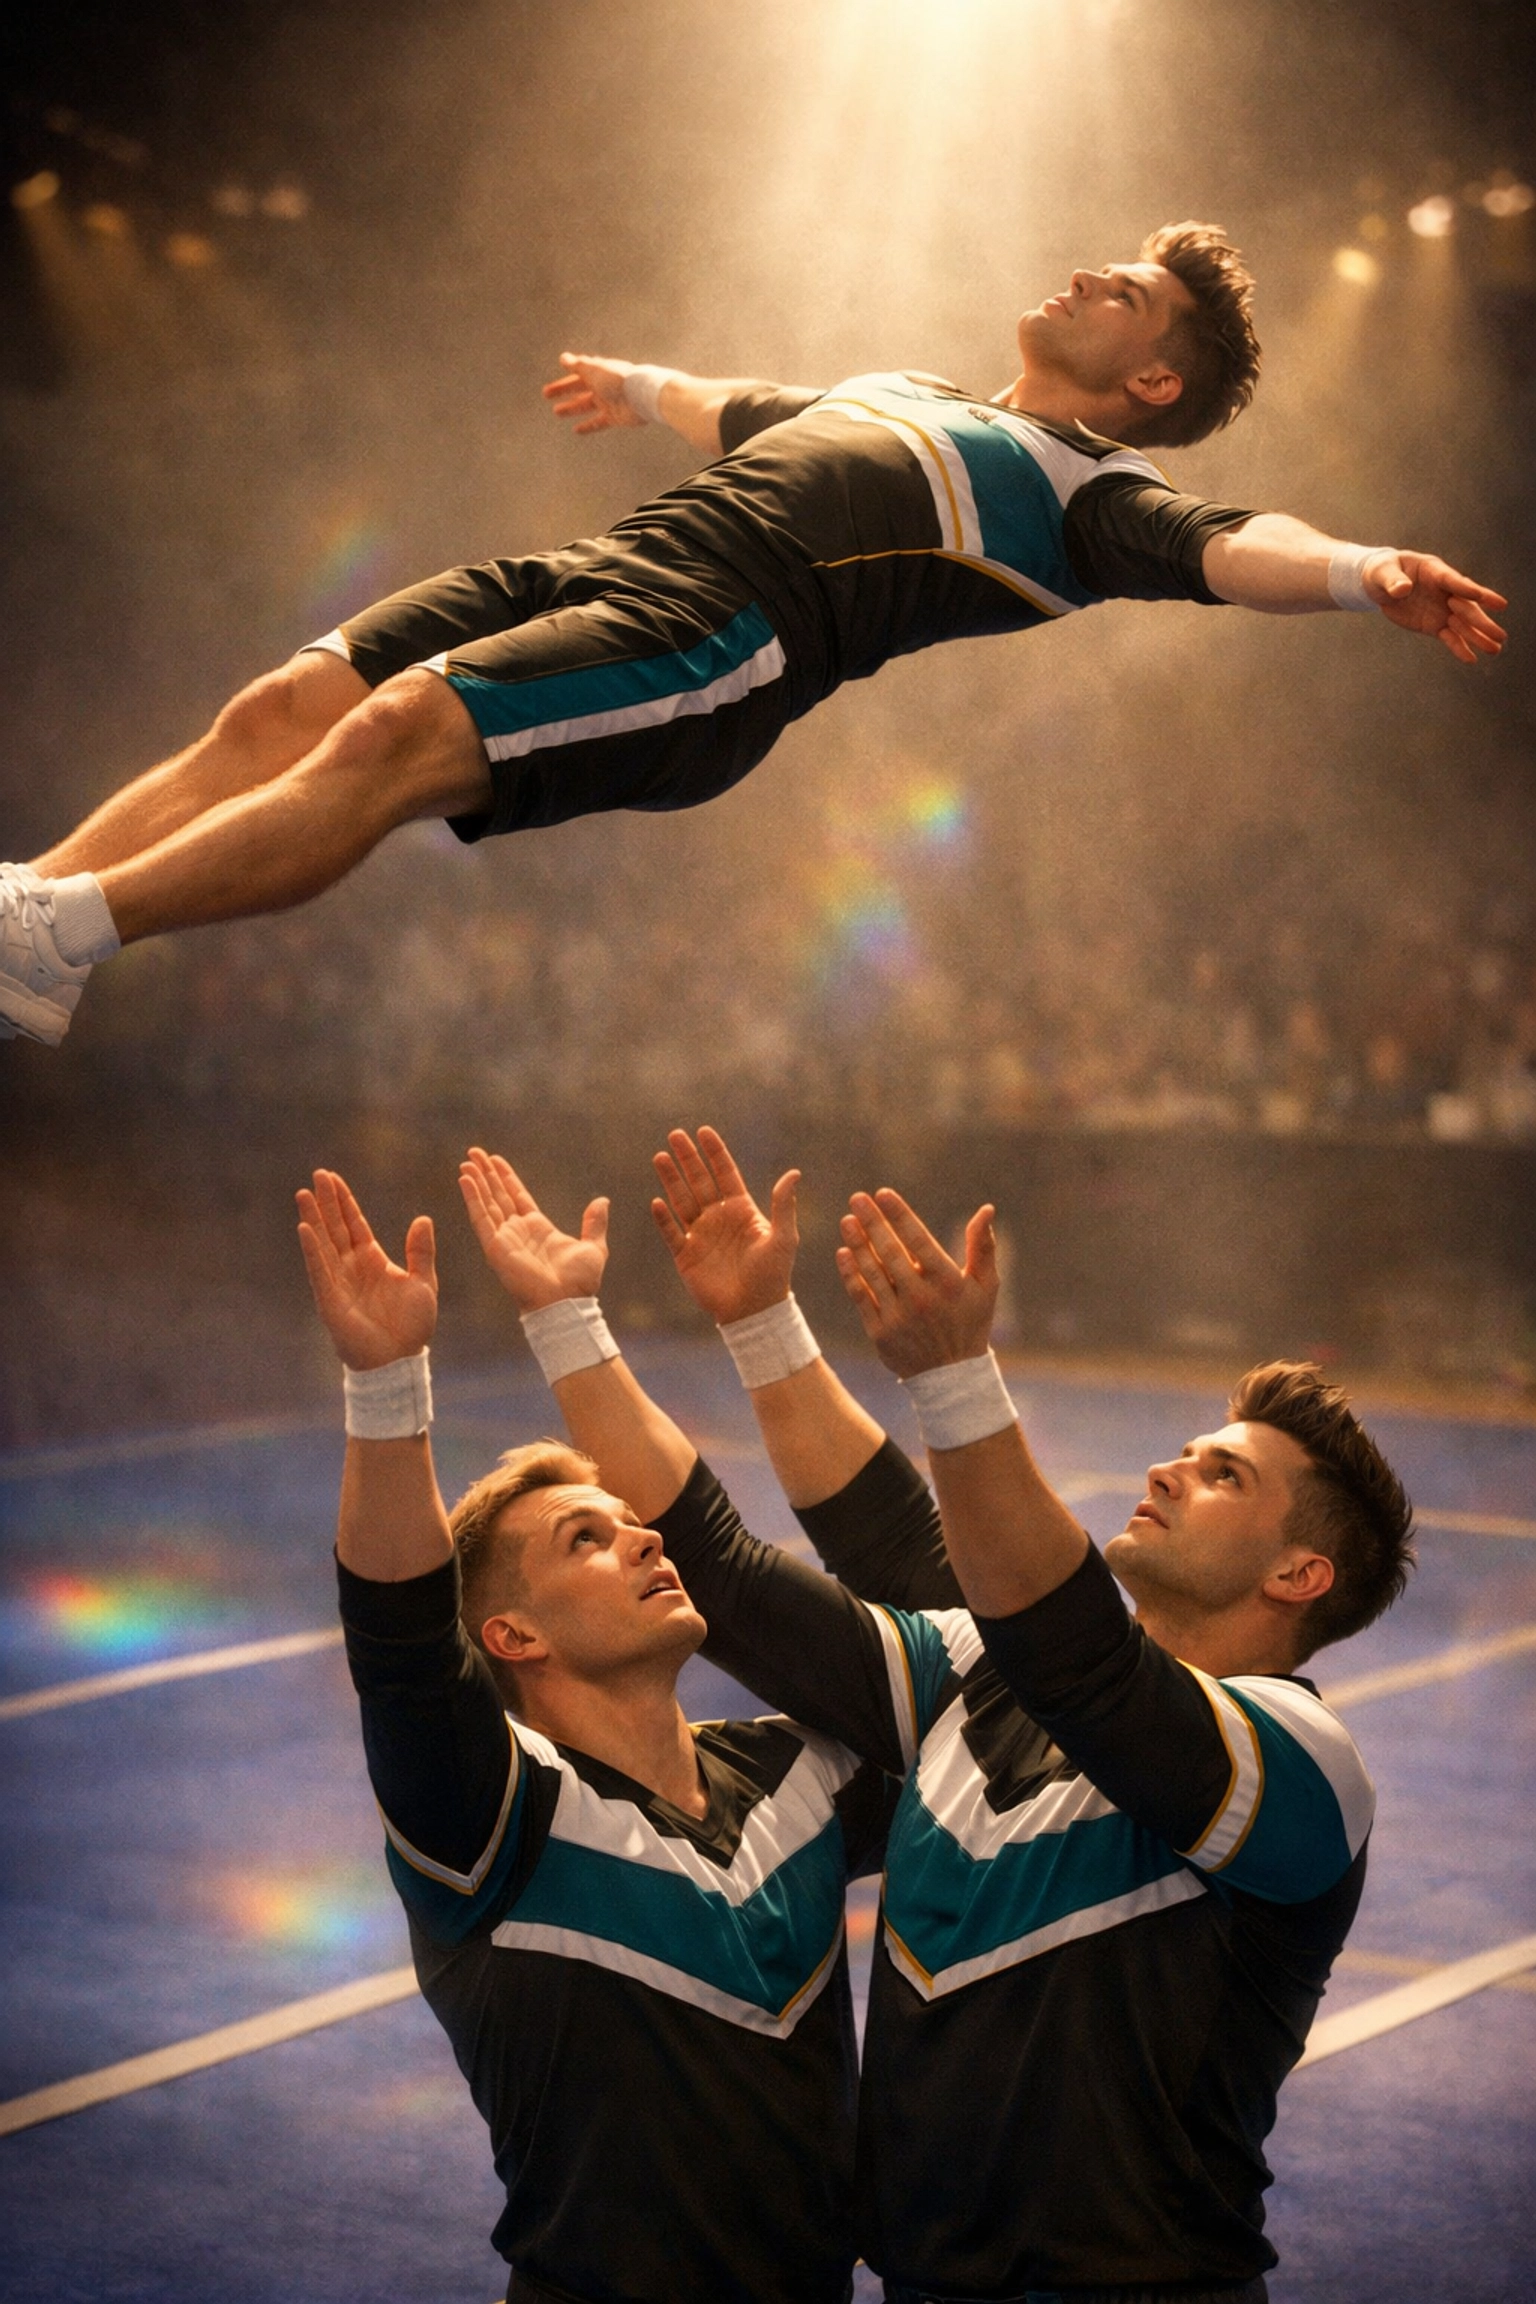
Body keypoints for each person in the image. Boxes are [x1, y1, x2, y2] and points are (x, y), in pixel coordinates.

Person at [0, 222, 1508, 1044]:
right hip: (594, 563)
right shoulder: (914, 389)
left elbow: (1239, 546)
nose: (1093, 272)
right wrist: (642, 381)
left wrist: (1365, 567)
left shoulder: (1096, 500)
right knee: (278, 708)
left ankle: (65, 932)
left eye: (1132, 294)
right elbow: (756, 412)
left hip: (708, 643)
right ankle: (30, 931)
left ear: (1156, 385)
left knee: (391, 739)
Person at [494, 1124, 1414, 2302]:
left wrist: (956, 1380)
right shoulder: (983, 1677)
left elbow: (1084, 1663)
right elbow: (734, 1571)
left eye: (1225, 1474)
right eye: (1189, 1450)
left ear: (1299, 1576)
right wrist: (697, 1321)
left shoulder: (1303, 1765)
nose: (1173, 1470)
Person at [295, 1158, 909, 2304]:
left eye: (635, 1524)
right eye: (586, 1539)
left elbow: (931, 1663)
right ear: (513, 1636)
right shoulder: (497, 1823)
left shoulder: (798, 1780)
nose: (643, 1539)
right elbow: (406, 1657)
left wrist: (595, 1319)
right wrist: (387, 1384)